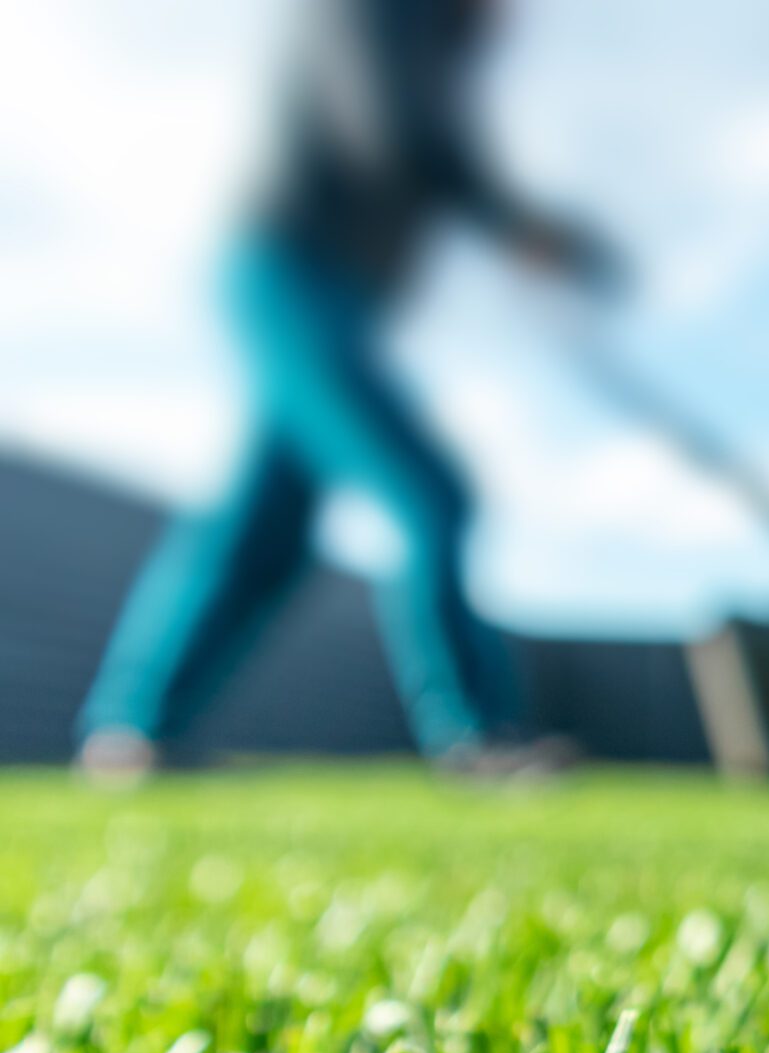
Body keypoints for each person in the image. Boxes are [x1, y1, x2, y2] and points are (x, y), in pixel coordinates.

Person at [76, 0, 614, 786]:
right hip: (288, 274)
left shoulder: (430, 47)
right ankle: (479, 735)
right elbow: (389, 127)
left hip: (329, 294)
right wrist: (513, 225)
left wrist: (528, 235)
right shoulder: (373, 13)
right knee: (429, 496)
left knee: (264, 532)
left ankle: (130, 737)